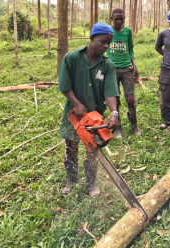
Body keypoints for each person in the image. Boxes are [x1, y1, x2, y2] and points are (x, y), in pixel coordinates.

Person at [58, 22, 120, 198]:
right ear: (92, 38)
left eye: (109, 43)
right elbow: (64, 86)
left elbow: (110, 92)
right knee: (71, 146)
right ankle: (71, 179)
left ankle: (91, 183)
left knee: (92, 150)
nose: (106, 46)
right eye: (103, 42)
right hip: (74, 115)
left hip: (95, 115)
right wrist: (76, 103)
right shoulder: (72, 58)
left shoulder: (107, 65)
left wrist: (114, 113)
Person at [107, 8, 141, 138]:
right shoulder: (108, 31)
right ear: (112, 19)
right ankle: (118, 127)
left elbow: (130, 48)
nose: (119, 21)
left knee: (130, 99)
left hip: (127, 69)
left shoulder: (128, 31)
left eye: (122, 18)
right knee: (115, 100)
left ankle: (134, 125)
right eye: (117, 19)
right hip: (112, 70)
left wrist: (134, 65)